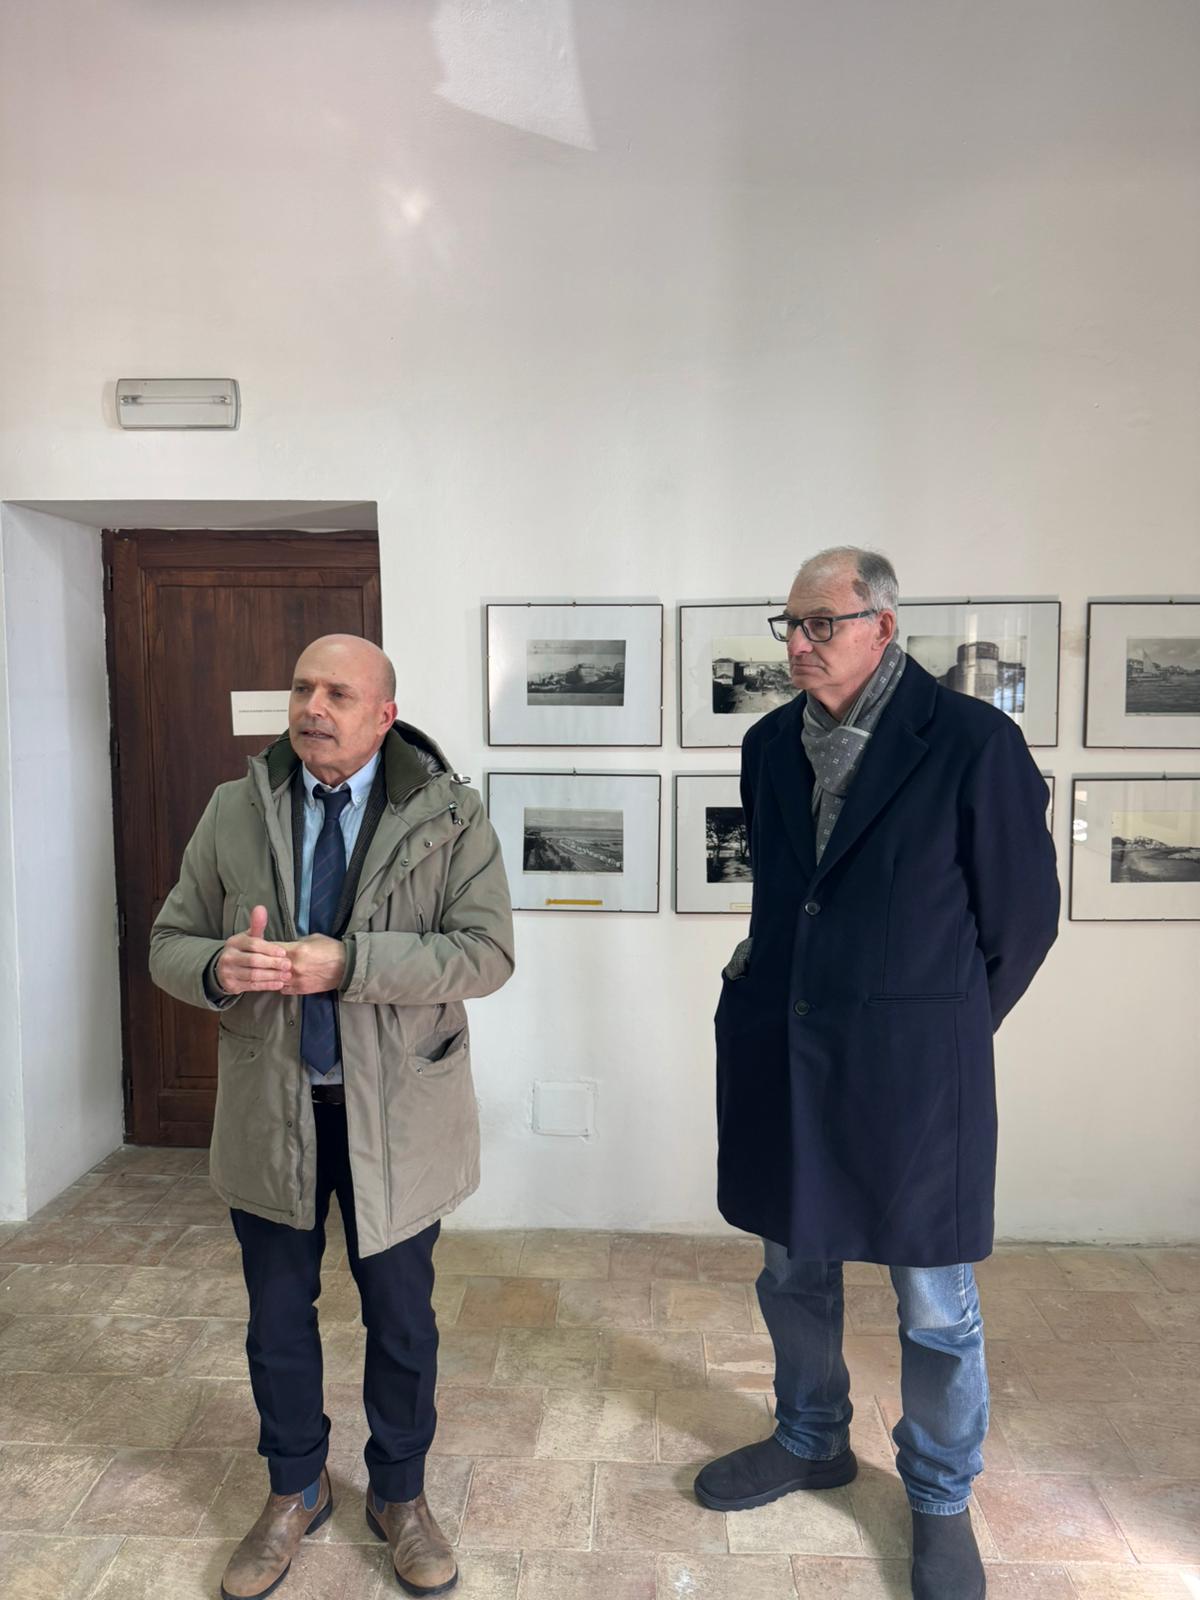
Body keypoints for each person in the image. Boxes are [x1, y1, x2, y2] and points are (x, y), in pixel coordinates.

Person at [695, 549, 1059, 1600]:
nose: (799, 645)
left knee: (933, 1297)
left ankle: (940, 1495)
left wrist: (941, 1029)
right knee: (791, 1268)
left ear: (882, 627)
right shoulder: (770, 744)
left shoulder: (973, 742)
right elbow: (787, 900)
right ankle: (810, 1436)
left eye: (822, 623)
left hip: (914, 1075)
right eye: (790, 626)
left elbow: (1024, 920)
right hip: (785, 1051)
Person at [150, 634, 514, 1600]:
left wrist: (352, 964)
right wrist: (217, 967)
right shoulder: (233, 809)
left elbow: (486, 954)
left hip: (399, 1117)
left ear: (383, 715)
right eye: (303, 688)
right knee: (276, 1317)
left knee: (401, 1318)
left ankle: (400, 1495)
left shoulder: (450, 815)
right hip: (272, 1113)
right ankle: (294, 1489)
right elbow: (168, 940)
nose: (314, 706)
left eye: (338, 693)